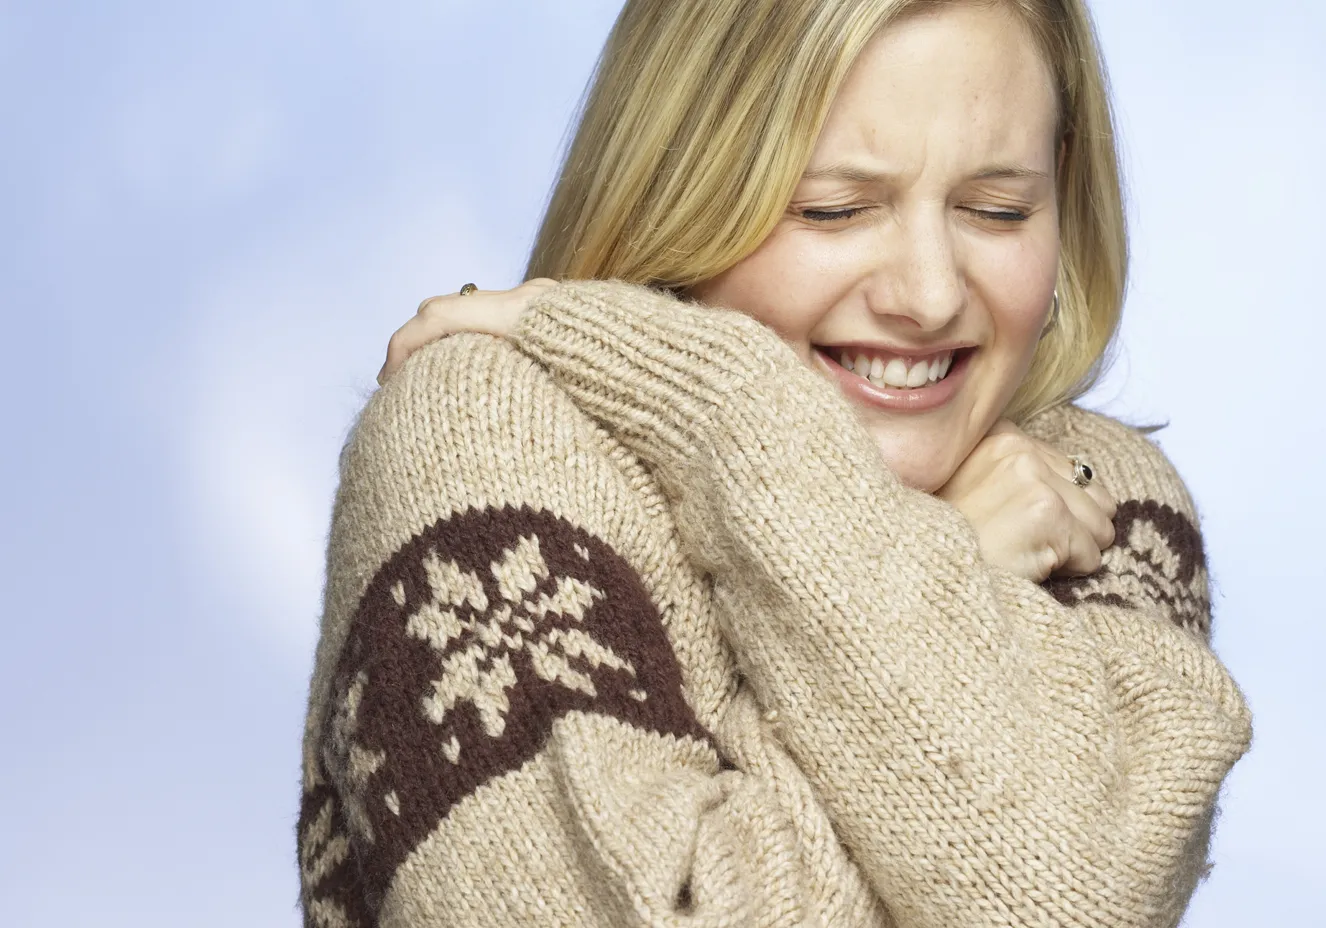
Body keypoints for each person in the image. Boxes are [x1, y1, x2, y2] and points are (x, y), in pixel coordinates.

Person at [297, 0, 1252, 925]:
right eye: (834, 210)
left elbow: (1068, 900)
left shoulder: (1098, 498)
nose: (928, 295)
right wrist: (731, 409)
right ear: (683, 186)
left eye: (997, 211)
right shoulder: (479, 436)